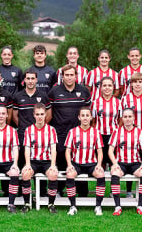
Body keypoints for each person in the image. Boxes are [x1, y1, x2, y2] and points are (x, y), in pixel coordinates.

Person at [48, 65, 91, 196]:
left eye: (72, 75)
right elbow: (49, 114)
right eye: (66, 75)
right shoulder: (54, 92)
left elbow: (87, 113)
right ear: (62, 76)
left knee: (79, 160)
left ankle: (82, 191)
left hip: (79, 133)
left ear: (76, 76)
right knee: (61, 161)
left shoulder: (84, 91)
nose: (69, 77)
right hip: (60, 132)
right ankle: (59, 190)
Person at [64, 107, 105, 216]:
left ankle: (98, 206)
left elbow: (100, 151)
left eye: (87, 115)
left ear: (91, 117)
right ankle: (72, 206)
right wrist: (69, 165)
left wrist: (99, 165)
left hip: (91, 163)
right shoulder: (73, 132)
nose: (85, 118)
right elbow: (67, 151)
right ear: (79, 117)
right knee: (70, 175)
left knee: (100, 174)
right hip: (76, 163)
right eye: (83, 115)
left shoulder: (96, 132)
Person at [108, 108, 142, 216]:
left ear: (134, 118)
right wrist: (115, 164)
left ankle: (140, 206)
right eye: (125, 117)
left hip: (135, 163)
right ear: (122, 118)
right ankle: (117, 206)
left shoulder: (139, 132)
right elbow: (110, 150)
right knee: (115, 174)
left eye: (129, 116)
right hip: (121, 163)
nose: (127, 119)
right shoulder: (117, 131)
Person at [20, 103, 58, 213]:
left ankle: (51, 204)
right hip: (33, 161)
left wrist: (52, 165)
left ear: (46, 114)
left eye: (42, 114)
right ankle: (27, 203)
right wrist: (27, 164)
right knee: (26, 173)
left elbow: (53, 149)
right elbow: (27, 148)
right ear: (34, 115)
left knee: (53, 174)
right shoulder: (28, 130)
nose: (40, 116)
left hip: (47, 161)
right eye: (37, 114)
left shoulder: (51, 130)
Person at [120, 72, 142, 197]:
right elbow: (122, 117)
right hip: (130, 133)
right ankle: (129, 191)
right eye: (135, 82)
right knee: (130, 159)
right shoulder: (125, 98)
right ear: (131, 84)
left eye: (140, 82)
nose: (138, 84)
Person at [13, 68, 51, 169]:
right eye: (28, 78)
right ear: (24, 80)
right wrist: (24, 127)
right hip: (23, 133)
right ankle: (22, 184)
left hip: (40, 134)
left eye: (32, 78)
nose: (30, 81)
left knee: (39, 160)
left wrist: (39, 128)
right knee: (22, 162)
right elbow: (15, 116)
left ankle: (41, 185)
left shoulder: (43, 96)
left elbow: (49, 114)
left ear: (36, 80)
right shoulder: (18, 96)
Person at [91, 76, 120, 169]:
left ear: (113, 87)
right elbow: (93, 121)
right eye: (104, 85)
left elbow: (121, 119)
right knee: (100, 164)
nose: (107, 88)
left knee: (114, 164)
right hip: (100, 136)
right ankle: (101, 183)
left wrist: (117, 132)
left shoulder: (118, 102)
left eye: (109, 85)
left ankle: (114, 183)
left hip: (113, 136)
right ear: (101, 87)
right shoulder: (95, 102)